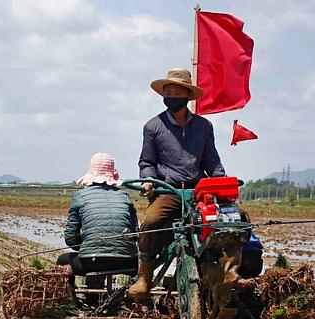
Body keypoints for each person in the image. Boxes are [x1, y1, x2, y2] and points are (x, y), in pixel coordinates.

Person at [128, 68, 226, 302]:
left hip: (198, 191)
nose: (171, 95)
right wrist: (149, 181)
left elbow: (212, 161)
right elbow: (147, 161)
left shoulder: (204, 126)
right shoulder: (153, 126)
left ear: (187, 96)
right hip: (168, 191)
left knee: (233, 219)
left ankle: (229, 272)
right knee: (151, 221)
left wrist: (222, 183)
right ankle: (144, 277)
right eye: (167, 91)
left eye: (176, 91)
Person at [57, 153, 139, 284]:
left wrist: (88, 244)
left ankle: (73, 299)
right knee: (140, 262)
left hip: (91, 262)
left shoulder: (80, 196)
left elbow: (70, 239)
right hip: (126, 261)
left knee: (62, 260)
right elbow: (136, 234)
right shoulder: (124, 196)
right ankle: (132, 297)